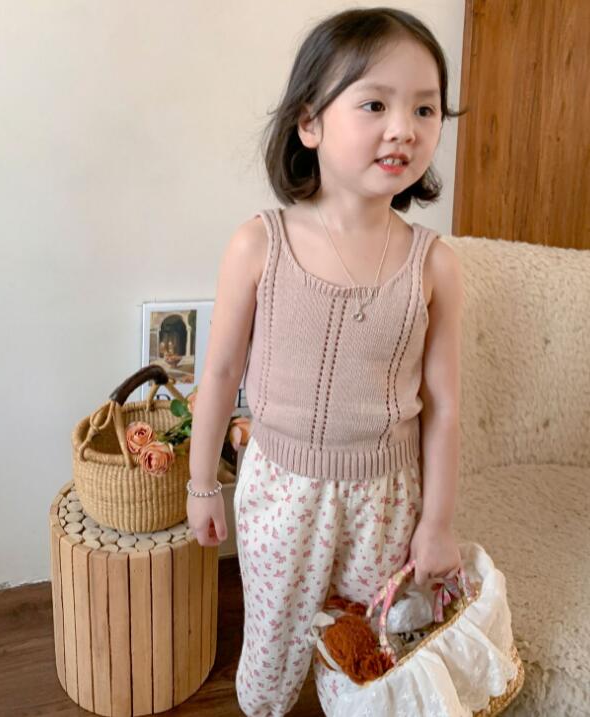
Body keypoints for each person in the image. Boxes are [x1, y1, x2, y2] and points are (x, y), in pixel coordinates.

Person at [187, 6, 468, 716]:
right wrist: (200, 484)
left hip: (387, 501)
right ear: (309, 123)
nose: (404, 128)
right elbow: (218, 375)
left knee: (371, 655)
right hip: (281, 492)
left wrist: (436, 522)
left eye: (425, 109)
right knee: (273, 648)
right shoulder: (259, 245)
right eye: (375, 104)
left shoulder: (434, 265)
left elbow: (443, 408)